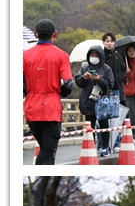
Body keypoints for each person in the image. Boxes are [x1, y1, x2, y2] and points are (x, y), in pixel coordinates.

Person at [23, 19, 74, 164]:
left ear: (35, 34)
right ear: (54, 34)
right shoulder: (61, 55)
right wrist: (62, 91)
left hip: (32, 108)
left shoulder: (25, 55)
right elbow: (69, 84)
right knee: (49, 153)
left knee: (44, 149)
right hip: (51, 109)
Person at [75, 45, 116, 157]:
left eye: (96, 55)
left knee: (104, 125)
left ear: (101, 56)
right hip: (89, 100)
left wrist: (100, 80)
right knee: (89, 125)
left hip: (102, 101)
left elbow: (110, 84)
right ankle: (90, 147)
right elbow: (78, 82)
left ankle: (104, 147)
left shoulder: (107, 69)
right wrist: (83, 78)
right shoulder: (84, 67)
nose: (94, 57)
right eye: (92, 55)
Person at [99, 32, 128, 153]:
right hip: (103, 90)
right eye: (107, 41)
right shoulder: (100, 55)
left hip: (115, 89)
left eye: (111, 41)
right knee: (102, 117)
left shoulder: (118, 55)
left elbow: (123, 71)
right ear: (103, 42)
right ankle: (102, 144)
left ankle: (115, 143)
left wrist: (119, 79)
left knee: (115, 117)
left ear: (114, 43)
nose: (109, 43)